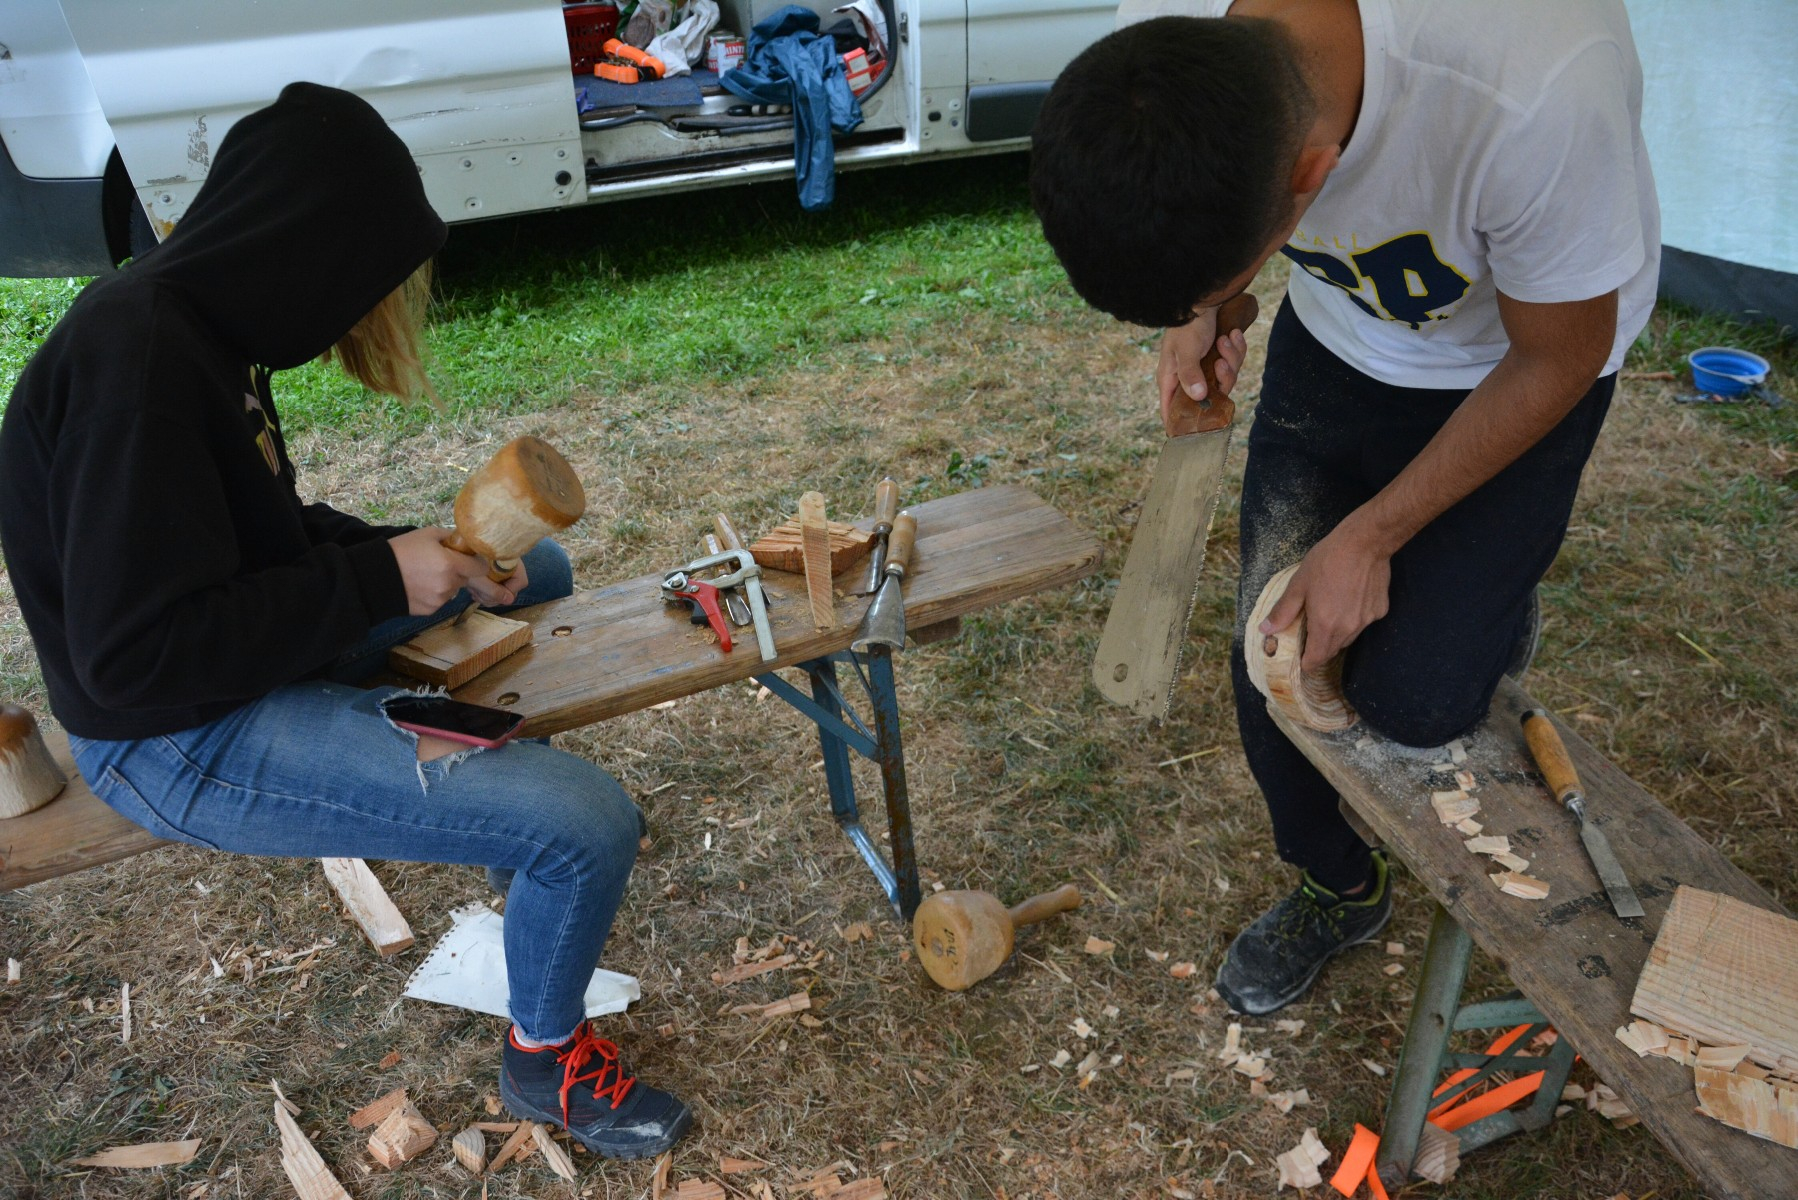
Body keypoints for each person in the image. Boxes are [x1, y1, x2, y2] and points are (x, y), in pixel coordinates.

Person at [0, 82, 692, 1157]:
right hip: (173, 734)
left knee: (534, 568)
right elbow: (132, 660)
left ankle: (510, 844)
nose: (363, 311)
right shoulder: (134, 367)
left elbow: (254, 532)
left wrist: (412, 554)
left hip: (223, 663)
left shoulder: (197, 328)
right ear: (304, 250)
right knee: (587, 823)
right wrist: (375, 582)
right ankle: (544, 1060)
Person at [1030, 0, 1659, 1014]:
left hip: (1521, 361)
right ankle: (1340, 886)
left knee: (1415, 706)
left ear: (1313, 175)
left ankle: (1484, 598)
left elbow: (1561, 356)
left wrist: (1371, 536)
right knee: (1274, 654)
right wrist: (1207, 307)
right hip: (1342, 336)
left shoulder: (1537, 87)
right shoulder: (1166, 35)